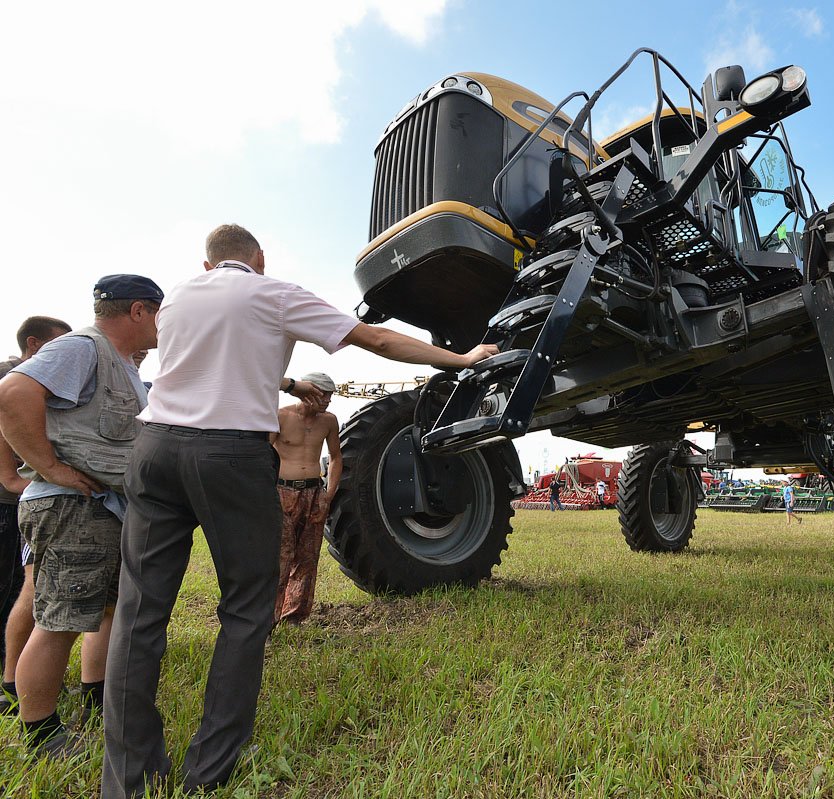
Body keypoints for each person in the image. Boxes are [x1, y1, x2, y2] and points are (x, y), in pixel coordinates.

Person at [102, 223, 498, 798]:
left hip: (155, 449)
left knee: (140, 612)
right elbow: (379, 341)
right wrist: (459, 359)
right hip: (230, 453)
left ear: (208, 263)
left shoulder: (180, 296)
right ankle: (210, 768)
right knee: (245, 608)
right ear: (257, 258)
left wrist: (281, 379)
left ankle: (128, 778)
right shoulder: (274, 292)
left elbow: (204, 358)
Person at [0, 280, 162, 755]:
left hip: (103, 507)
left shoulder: (123, 364)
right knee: (60, 620)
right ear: (138, 311)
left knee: (106, 609)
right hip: (73, 505)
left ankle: (95, 698)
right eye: (160, 314)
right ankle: (41, 732)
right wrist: (50, 468)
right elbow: (12, 394)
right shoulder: (82, 347)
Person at [0, 316, 72, 716]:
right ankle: (12, 683)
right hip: (28, 500)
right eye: (60, 345)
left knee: (29, 589)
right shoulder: (19, 377)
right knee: (28, 590)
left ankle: (16, 680)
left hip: (34, 499)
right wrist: (11, 477)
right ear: (33, 344)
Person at [271, 371, 340, 624]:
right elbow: (265, 454)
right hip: (282, 492)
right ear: (309, 392)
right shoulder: (280, 415)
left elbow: (335, 457)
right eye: (324, 396)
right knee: (279, 558)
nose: (328, 401)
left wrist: (328, 495)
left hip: (314, 493)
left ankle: (295, 617)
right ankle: (268, 621)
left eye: (331, 397)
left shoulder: (329, 421)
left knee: (307, 558)